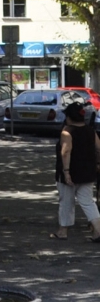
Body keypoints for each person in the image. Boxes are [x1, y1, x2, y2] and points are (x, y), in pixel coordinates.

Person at [51, 100, 100, 241]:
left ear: (69, 117)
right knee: (88, 202)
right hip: (88, 172)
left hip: (71, 172)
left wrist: (66, 172)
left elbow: (66, 152)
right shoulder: (91, 131)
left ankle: (63, 231)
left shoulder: (67, 132)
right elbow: (99, 148)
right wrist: (97, 163)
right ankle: (98, 230)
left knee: (66, 201)